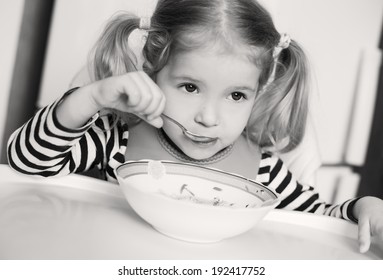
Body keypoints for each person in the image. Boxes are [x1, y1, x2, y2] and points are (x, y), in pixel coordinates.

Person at [7, 0, 383, 253]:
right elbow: (28, 162)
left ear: (258, 92)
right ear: (153, 71)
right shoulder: (117, 139)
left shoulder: (262, 171)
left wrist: (362, 207)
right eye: (190, 87)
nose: (209, 117)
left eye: (236, 96)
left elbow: (317, 217)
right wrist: (88, 98)